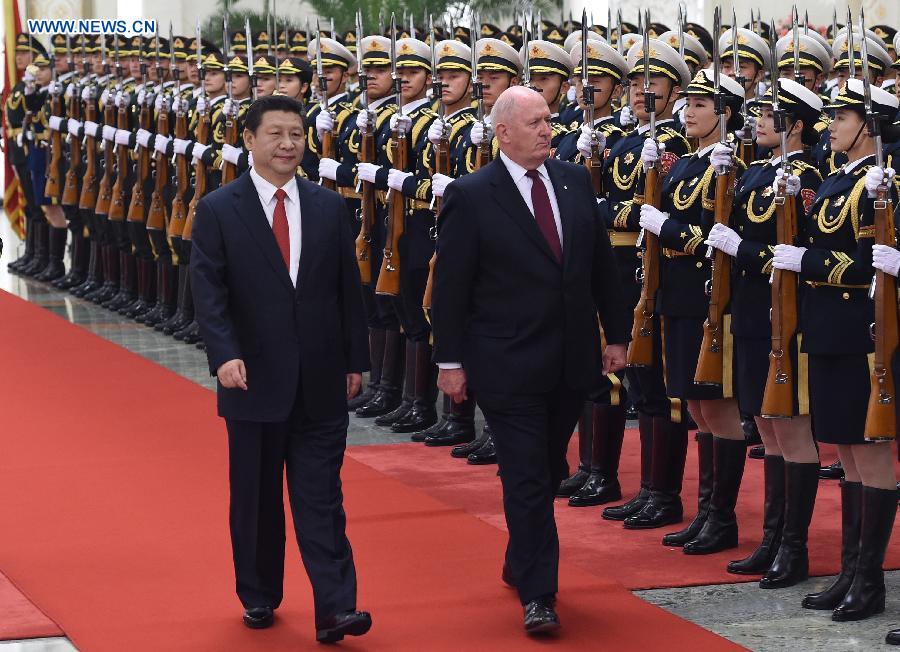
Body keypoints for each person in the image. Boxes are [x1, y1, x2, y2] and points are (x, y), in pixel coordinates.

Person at [430, 85, 629, 634]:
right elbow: (451, 287)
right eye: (537, 122)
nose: (548, 129)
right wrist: (449, 361)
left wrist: (617, 334)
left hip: (569, 357)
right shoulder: (472, 194)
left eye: (548, 120)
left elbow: (599, 266)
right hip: (505, 361)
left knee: (545, 467)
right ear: (503, 132)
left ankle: (522, 555)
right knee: (526, 477)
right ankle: (540, 595)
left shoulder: (573, 180)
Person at [190, 94, 372, 643]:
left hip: (320, 378)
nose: (289, 144)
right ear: (249, 139)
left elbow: (347, 290)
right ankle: (259, 592)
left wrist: (355, 359)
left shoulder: (327, 206)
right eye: (276, 134)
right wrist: (223, 354)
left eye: (296, 133)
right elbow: (209, 290)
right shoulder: (220, 208)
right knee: (257, 498)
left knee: (321, 497)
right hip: (252, 377)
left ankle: (337, 608)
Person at [774, 79, 898, 623]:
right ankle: (850, 570)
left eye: (841, 118)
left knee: (870, 450)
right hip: (827, 326)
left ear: (868, 127)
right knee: (845, 448)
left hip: (860, 329)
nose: (830, 126)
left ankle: (869, 579)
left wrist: (809, 263)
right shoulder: (836, 178)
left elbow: (875, 260)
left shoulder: (883, 181)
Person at [705, 78, 824, 584]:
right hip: (752, 311)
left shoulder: (804, 176)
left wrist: (741, 250)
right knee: (769, 428)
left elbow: (789, 251)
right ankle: (772, 538)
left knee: (792, 428)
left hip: (786, 315)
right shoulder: (756, 171)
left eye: (769, 115)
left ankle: (793, 548)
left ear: (795, 125)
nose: (756, 123)